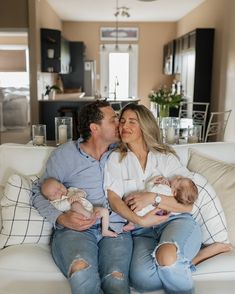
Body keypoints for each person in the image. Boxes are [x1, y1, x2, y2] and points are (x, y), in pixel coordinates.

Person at [32, 100, 165, 294]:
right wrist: (61, 218)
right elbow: (38, 192)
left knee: (116, 278)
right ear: (95, 128)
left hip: (116, 228)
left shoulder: (124, 151)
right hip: (76, 229)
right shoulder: (65, 155)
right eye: (114, 120)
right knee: (81, 270)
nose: (120, 123)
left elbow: (154, 151)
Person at [104, 103, 231, 294]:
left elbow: (186, 206)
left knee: (167, 256)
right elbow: (113, 198)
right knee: (142, 281)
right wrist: (140, 220)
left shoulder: (164, 157)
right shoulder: (116, 158)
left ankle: (177, 259)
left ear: (145, 126)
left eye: (132, 121)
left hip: (175, 220)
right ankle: (194, 260)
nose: (124, 126)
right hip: (141, 231)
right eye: (122, 121)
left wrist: (152, 197)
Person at [41, 177, 118, 237]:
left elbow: (84, 193)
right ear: (49, 199)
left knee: (104, 211)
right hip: (79, 216)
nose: (60, 192)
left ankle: (105, 230)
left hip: (90, 209)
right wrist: (68, 201)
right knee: (75, 204)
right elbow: (60, 207)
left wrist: (78, 194)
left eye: (60, 187)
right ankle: (91, 216)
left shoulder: (71, 190)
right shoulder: (55, 203)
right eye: (55, 194)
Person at [123, 175, 198, 231]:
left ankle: (130, 223)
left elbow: (150, 190)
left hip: (141, 209)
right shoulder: (174, 203)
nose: (178, 176)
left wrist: (152, 182)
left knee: (131, 201)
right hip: (149, 216)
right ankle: (130, 223)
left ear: (175, 192)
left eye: (179, 179)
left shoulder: (165, 189)